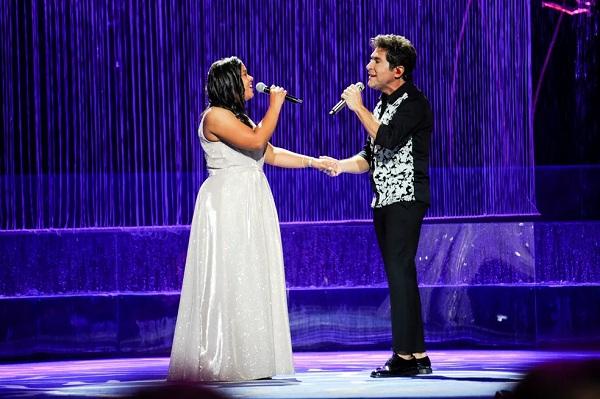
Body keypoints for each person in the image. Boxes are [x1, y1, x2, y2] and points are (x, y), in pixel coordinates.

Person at [168, 56, 330, 382]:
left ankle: (252, 360)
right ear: (229, 82)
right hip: (226, 205)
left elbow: (268, 153)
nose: (251, 78)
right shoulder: (214, 116)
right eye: (244, 74)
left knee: (250, 276)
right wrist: (276, 104)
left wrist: (314, 162)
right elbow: (257, 142)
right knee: (227, 277)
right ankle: (222, 359)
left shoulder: (239, 118)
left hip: (250, 203)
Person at [322, 34, 434, 377]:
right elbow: (372, 156)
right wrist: (341, 165)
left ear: (398, 70)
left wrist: (357, 107)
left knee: (400, 272)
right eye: (370, 60)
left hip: (406, 197)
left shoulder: (414, 103)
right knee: (400, 275)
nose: (369, 66)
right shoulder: (383, 105)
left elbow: (386, 137)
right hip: (383, 199)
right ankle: (417, 354)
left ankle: (403, 356)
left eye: (376, 61)